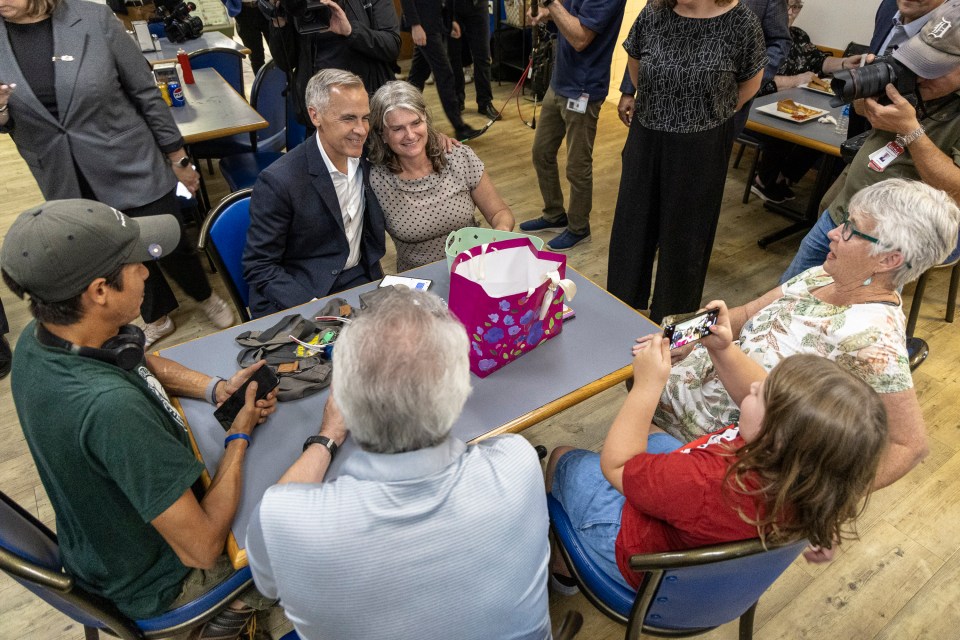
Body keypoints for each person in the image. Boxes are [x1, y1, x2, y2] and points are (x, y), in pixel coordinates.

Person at [0, 199, 279, 637]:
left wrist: (215, 388)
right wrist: (239, 436)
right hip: (166, 582)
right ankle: (225, 615)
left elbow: (134, 359)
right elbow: (203, 548)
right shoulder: (110, 410)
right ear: (98, 291)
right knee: (312, 526)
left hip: (105, 547)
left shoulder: (40, 343)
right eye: (136, 264)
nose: (149, 272)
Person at [245, 288, 551, 639]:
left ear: (342, 400)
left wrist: (328, 435)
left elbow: (268, 584)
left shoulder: (281, 521)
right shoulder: (519, 462)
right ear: (461, 393)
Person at [660, 179, 959, 489]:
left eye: (850, 229)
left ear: (888, 259)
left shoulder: (874, 340)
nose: (833, 232)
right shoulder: (824, 274)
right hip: (677, 389)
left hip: (708, 449)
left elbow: (910, 445)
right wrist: (681, 338)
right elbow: (747, 314)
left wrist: (819, 503)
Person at [547, 341, 888, 591]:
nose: (753, 385)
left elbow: (617, 465)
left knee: (564, 457)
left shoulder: (705, 483)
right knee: (651, 432)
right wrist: (722, 348)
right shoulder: (816, 481)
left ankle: (563, 570)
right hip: (704, 539)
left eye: (760, 395)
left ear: (776, 437)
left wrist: (647, 385)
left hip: (633, 552)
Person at [0, 0, 235, 348]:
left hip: (128, 159)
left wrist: (177, 157)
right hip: (63, 174)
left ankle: (203, 296)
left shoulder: (93, 18)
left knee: (164, 241)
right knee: (112, 252)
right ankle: (157, 315)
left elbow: (145, 92)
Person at [605, 0, 767, 324]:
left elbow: (749, 85)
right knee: (630, 232)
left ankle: (670, 334)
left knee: (686, 243)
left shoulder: (742, 23)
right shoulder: (654, 12)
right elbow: (636, 66)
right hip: (647, 136)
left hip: (702, 145)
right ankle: (618, 320)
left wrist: (707, 110)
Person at [781, 0, 960, 282]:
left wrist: (911, 131)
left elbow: (957, 190)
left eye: (935, 66)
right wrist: (869, 103)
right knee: (788, 293)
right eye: (921, 59)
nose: (921, 75)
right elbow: (865, 113)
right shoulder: (913, 74)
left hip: (886, 244)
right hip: (843, 212)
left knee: (838, 317)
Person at [244, 69, 387, 318]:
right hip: (304, 294)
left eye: (365, 117)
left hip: (360, 280)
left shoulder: (367, 153)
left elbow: (409, 135)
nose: (361, 130)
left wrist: (438, 140)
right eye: (348, 119)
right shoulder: (279, 181)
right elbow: (259, 266)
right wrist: (314, 307)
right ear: (315, 115)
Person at [367, 81, 515, 271]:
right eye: (397, 129)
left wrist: (500, 232)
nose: (410, 135)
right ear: (382, 134)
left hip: (474, 272)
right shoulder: (376, 180)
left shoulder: (459, 157)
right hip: (418, 283)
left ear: (426, 122)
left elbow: (499, 213)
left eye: (416, 123)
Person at [518, 0, 628, 252]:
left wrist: (549, 4)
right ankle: (554, 214)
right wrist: (545, 14)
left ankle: (579, 227)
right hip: (559, 81)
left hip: (583, 90)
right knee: (541, 152)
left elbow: (580, 38)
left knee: (577, 165)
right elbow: (565, 17)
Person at [617, 0, 790, 138]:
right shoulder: (656, 11)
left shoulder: (745, 19)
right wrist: (628, 91)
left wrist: (732, 91)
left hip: (714, 120)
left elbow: (778, 42)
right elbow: (641, 47)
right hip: (652, 115)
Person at [750, 0, 866, 204]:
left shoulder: (798, 35)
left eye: (797, 7)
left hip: (790, 104)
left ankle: (785, 175)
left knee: (823, 128)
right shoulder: (755, 34)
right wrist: (794, 80)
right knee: (790, 127)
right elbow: (755, 81)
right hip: (755, 109)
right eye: (786, 5)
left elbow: (818, 60)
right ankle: (765, 179)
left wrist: (844, 63)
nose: (791, 12)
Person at [262, 0, 400, 127]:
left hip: (364, 111)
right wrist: (278, 20)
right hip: (319, 112)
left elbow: (391, 45)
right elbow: (285, 63)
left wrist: (351, 31)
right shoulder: (297, 4)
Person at [401, 0, 483, 140]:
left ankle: (401, 116)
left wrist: (449, 21)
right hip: (423, 24)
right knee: (445, 75)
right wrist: (415, 25)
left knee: (417, 76)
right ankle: (459, 127)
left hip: (435, 22)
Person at [447, 0, 499, 120]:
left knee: (483, 55)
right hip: (453, 7)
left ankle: (485, 102)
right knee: (454, 57)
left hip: (478, 6)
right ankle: (457, 100)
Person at [223, 0, 271, 75]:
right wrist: (230, 5)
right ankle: (263, 85)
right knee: (256, 56)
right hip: (244, 12)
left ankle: (287, 83)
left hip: (266, 7)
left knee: (280, 52)